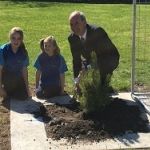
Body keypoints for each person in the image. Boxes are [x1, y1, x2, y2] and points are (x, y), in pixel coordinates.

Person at [68, 11, 120, 92]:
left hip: (109, 58)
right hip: (92, 60)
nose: (74, 27)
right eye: (71, 24)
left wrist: (88, 68)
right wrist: (76, 82)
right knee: (87, 86)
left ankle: (103, 85)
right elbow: (76, 61)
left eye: (77, 23)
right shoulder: (72, 38)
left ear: (84, 22)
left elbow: (105, 55)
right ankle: (102, 88)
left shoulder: (97, 32)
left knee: (97, 85)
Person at [0, 27, 30, 100]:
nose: (16, 41)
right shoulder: (3, 50)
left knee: (23, 97)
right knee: (7, 95)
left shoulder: (23, 51)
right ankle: (5, 90)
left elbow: (24, 70)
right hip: (6, 78)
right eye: (13, 38)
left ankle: (11, 91)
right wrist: (0, 88)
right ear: (10, 38)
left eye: (19, 38)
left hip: (17, 78)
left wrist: (27, 88)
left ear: (22, 39)